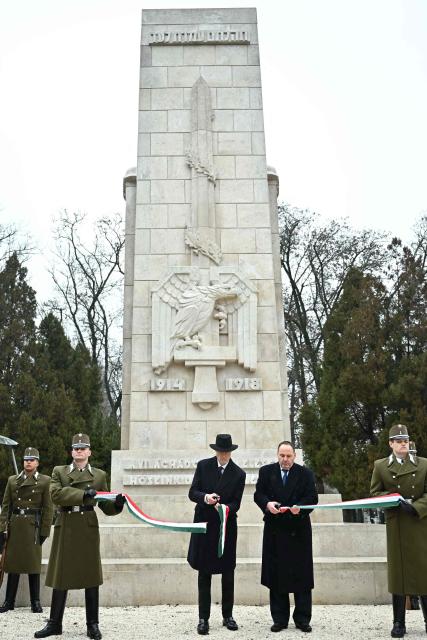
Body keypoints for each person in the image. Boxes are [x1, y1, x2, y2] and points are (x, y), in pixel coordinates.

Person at [34, 433, 125, 640]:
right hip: (66, 525)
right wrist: (83, 494)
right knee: (61, 575)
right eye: (76, 448)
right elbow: (56, 495)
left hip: (87, 526)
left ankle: (93, 625)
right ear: (71, 451)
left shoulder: (99, 475)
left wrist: (117, 504)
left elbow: (106, 506)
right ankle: (55, 623)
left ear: (89, 452)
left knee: (91, 576)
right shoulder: (60, 471)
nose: (79, 451)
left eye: (83, 448)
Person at [254, 440, 318, 633]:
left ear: (294, 456)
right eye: (282, 455)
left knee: (302, 577)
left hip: (298, 531)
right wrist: (267, 504)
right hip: (275, 530)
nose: (285, 459)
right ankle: (279, 619)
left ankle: (302, 619)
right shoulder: (266, 472)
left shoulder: (305, 474)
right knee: (276, 576)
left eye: (289, 456)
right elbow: (258, 494)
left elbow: (312, 498)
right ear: (277, 455)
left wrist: (301, 507)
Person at [370, 424, 427, 638]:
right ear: (391, 444)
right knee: (399, 575)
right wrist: (394, 500)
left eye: (406, 440)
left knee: (423, 572)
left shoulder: (423, 465)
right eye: (399, 440)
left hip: (419, 522)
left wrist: (415, 507)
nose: (403, 443)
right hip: (397, 524)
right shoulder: (381, 466)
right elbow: (375, 492)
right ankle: (398, 622)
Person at [187, 434, 246, 635]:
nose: (223, 455)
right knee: (204, 573)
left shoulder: (239, 474)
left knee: (228, 572)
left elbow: (237, 502)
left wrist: (224, 508)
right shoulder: (203, 466)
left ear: (230, 452)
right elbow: (192, 492)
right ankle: (203, 618)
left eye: (226, 452)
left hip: (226, 526)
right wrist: (206, 497)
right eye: (220, 451)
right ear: (216, 451)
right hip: (204, 526)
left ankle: (227, 616)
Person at [0, 447, 53, 613]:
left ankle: (35, 602)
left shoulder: (45, 481)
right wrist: (2, 528)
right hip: (15, 526)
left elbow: (48, 508)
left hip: (33, 526)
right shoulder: (12, 480)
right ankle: (9, 602)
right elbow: (6, 506)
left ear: (37, 462)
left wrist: (44, 531)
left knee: (33, 565)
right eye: (26, 459)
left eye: (31, 459)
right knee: (13, 564)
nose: (28, 462)